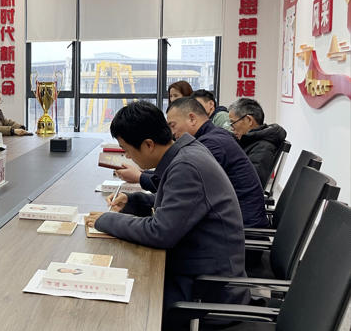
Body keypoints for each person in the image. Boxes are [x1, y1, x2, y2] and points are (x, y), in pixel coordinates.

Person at [85, 102, 247, 329]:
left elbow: (160, 232)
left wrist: (107, 220)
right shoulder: (186, 153)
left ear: (148, 144)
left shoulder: (186, 166)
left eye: (127, 149)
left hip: (206, 291)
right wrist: (133, 200)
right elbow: (180, 205)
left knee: (123, 308)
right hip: (196, 270)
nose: (128, 156)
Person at [166, 98, 268, 227]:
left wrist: (144, 179)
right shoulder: (214, 137)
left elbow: (185, 185)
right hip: (236, 218)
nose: (172, 133)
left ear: (192, 119)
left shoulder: (212, 144)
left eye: (173, 125)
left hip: (240, 226)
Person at [228, 98, 287, 188]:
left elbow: (250, 183)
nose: (231, 128)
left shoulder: (263, 147)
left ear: (249, 120)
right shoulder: (249, 141)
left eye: (233, 122)